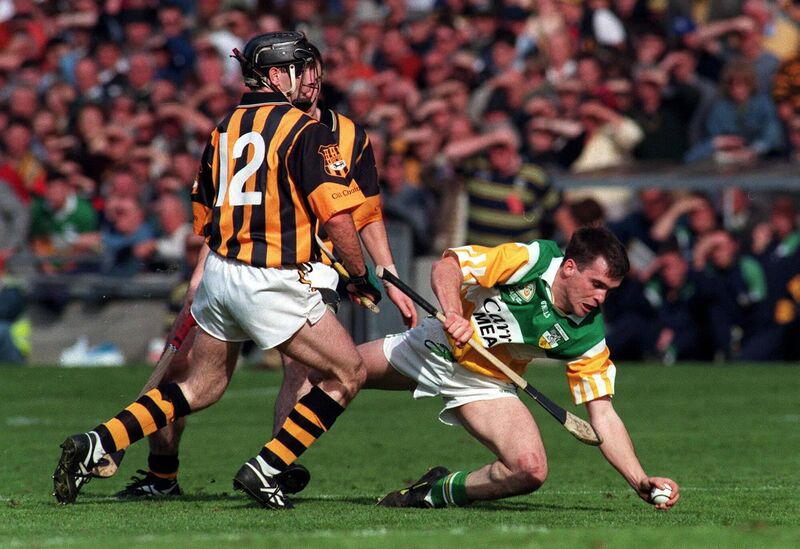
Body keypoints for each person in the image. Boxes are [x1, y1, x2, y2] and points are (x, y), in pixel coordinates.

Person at [52, 31, 382, 509]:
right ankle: (267, 468)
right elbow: (336, 217)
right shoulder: (303, 129)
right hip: (271, 278)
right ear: (274, 75)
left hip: (221, 274)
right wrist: (358, 274)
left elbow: (203, 213)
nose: (301, 78)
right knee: (348, 371)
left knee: (200, 386)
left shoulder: (224, 127)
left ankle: (99, 441)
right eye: (294, 69)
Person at [279, 227, 681, 509]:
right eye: (597, 284)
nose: (600, 298)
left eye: (609, 291)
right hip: (434, 347)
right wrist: (454, 313)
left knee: (530, 470)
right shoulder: (531, 260)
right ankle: (276, 468)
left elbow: (603, 417)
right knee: (323, 371)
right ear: (570, 266)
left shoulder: (587, 336)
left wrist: (639, 480)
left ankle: (435, 492)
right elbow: (447, 267)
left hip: (486, 384)